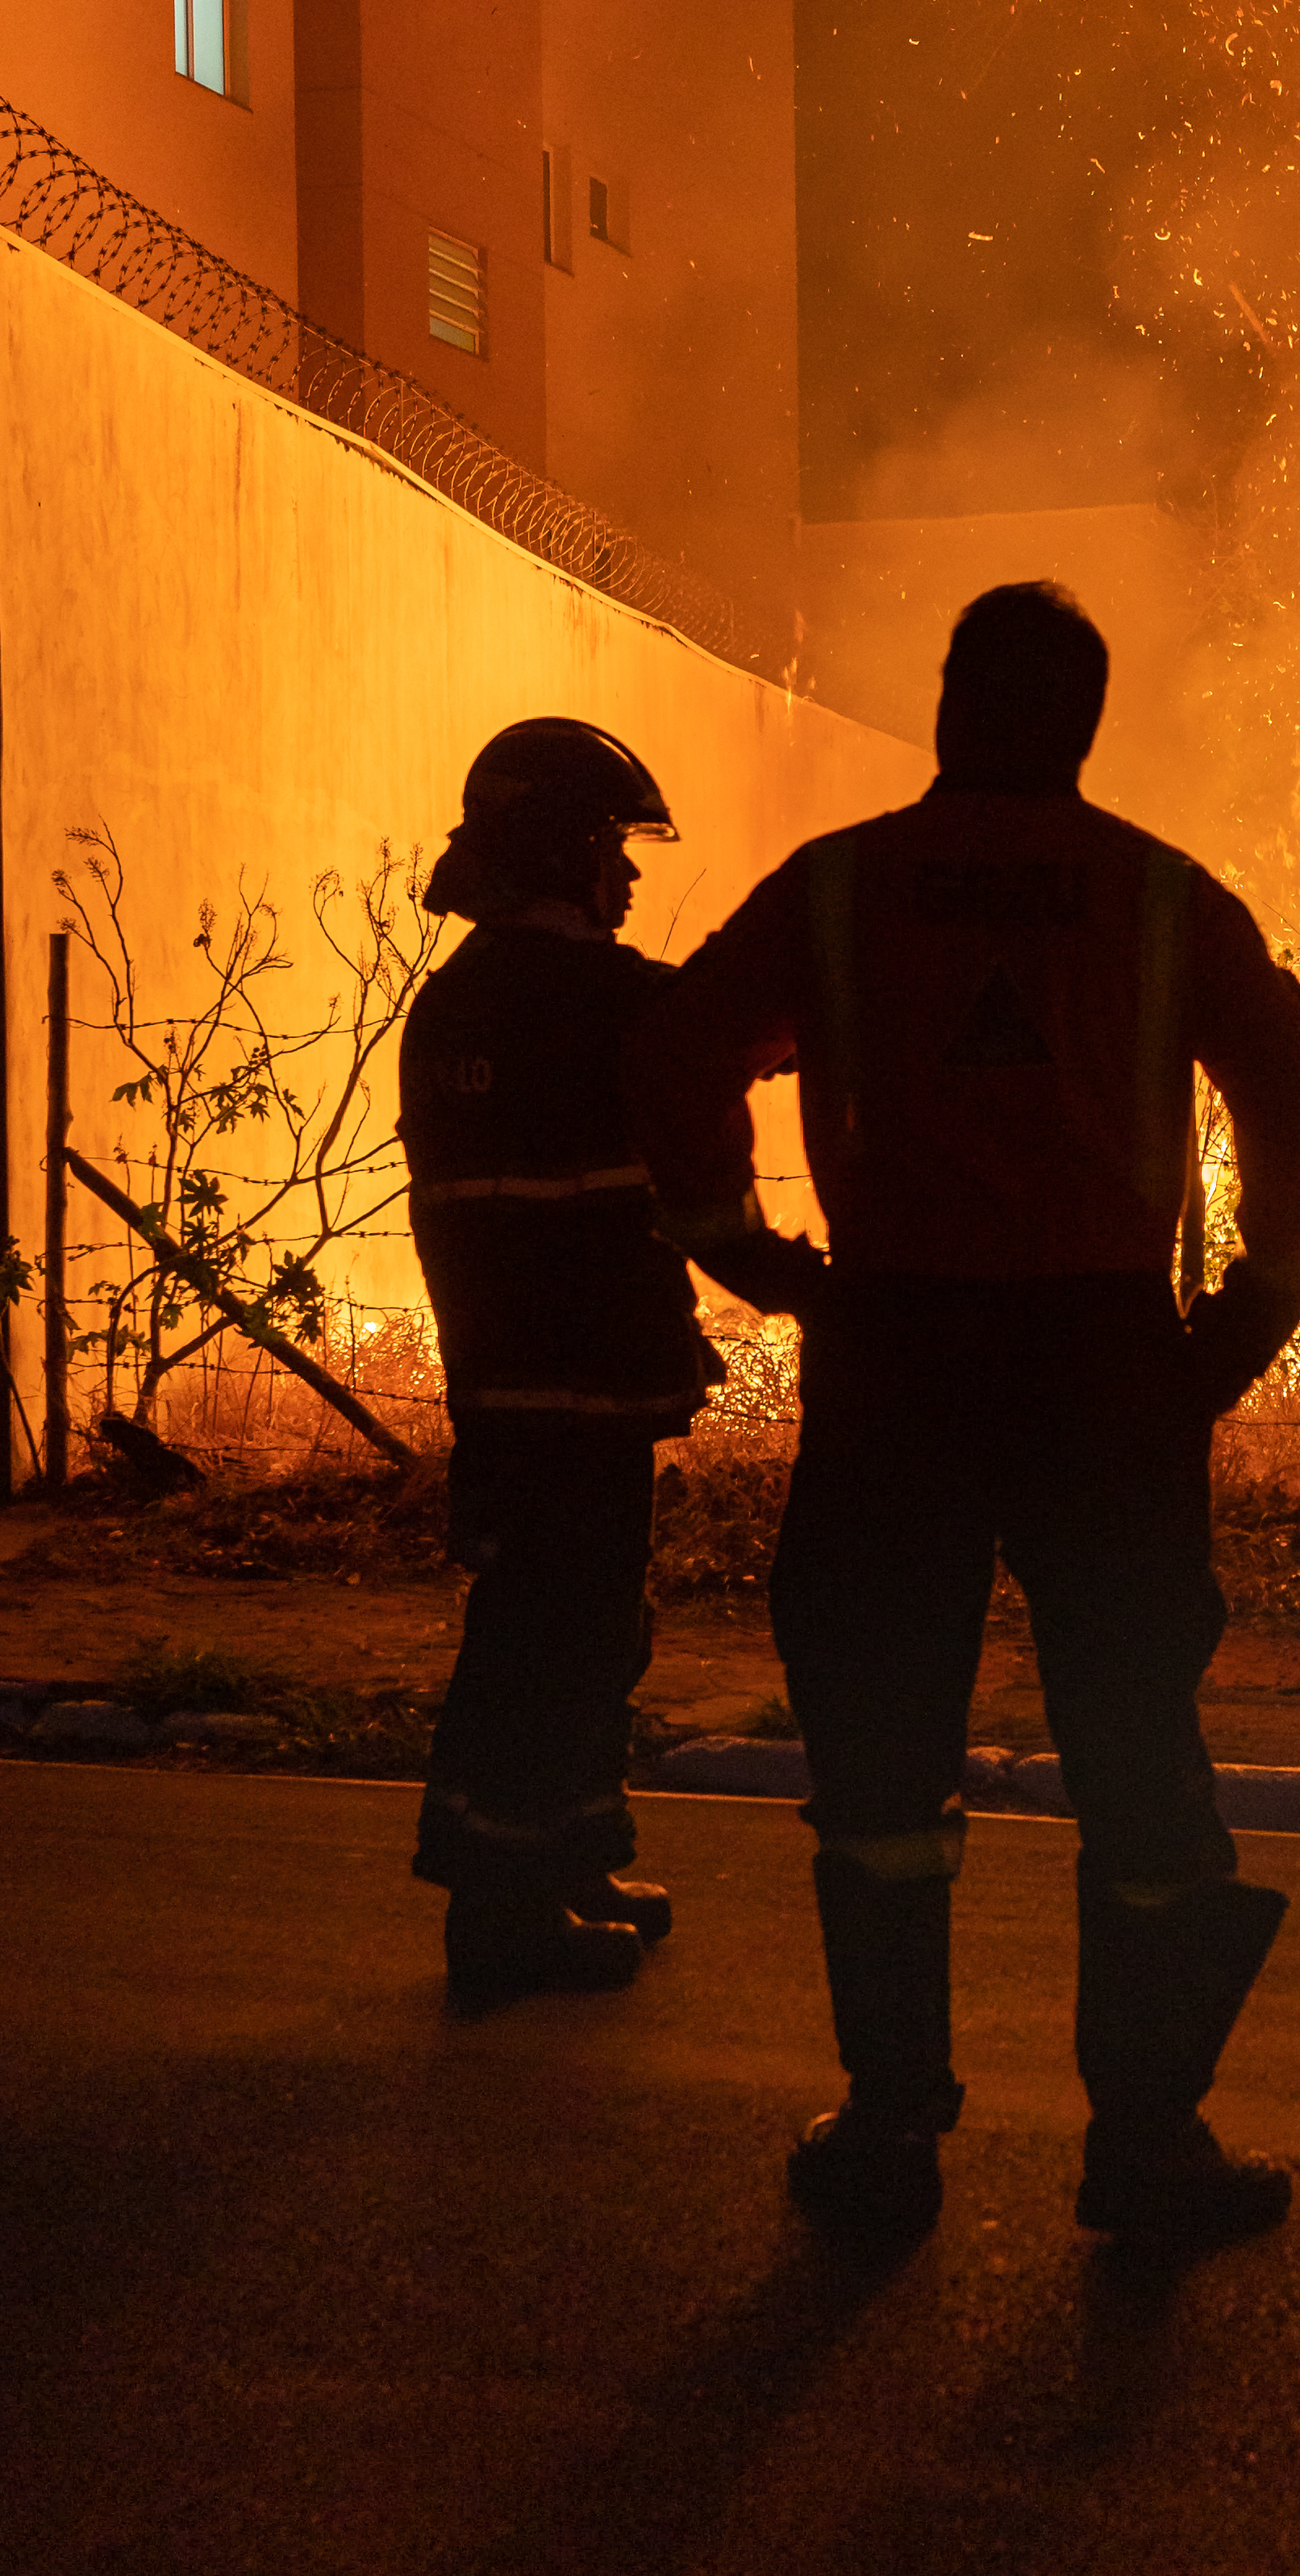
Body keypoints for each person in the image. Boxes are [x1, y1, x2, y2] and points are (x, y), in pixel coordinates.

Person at [633, 583, 1300, 2243]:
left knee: (881, 1752)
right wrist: (1244, 1313)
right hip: (1105, 1366)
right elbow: (1297, 1088)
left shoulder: (843, 890)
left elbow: (674, 1046)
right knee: (1136, 1749)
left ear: (952, 696)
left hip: (894, 1357)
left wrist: (747, 1254)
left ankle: (890, 2129)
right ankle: (1150, 2143)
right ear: (1084, 718)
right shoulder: (1158, 896)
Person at [402, 717, 815, 2009]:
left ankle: (564, 1866)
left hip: (515, 1378)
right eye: (610, 849)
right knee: (555, 1639)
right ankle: (503, 1912)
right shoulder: (594, 1000)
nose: (628, 876)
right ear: (563, 850)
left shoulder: (464, 997)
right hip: (573, 1375)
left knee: (574, 1628)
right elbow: (732, 1029)